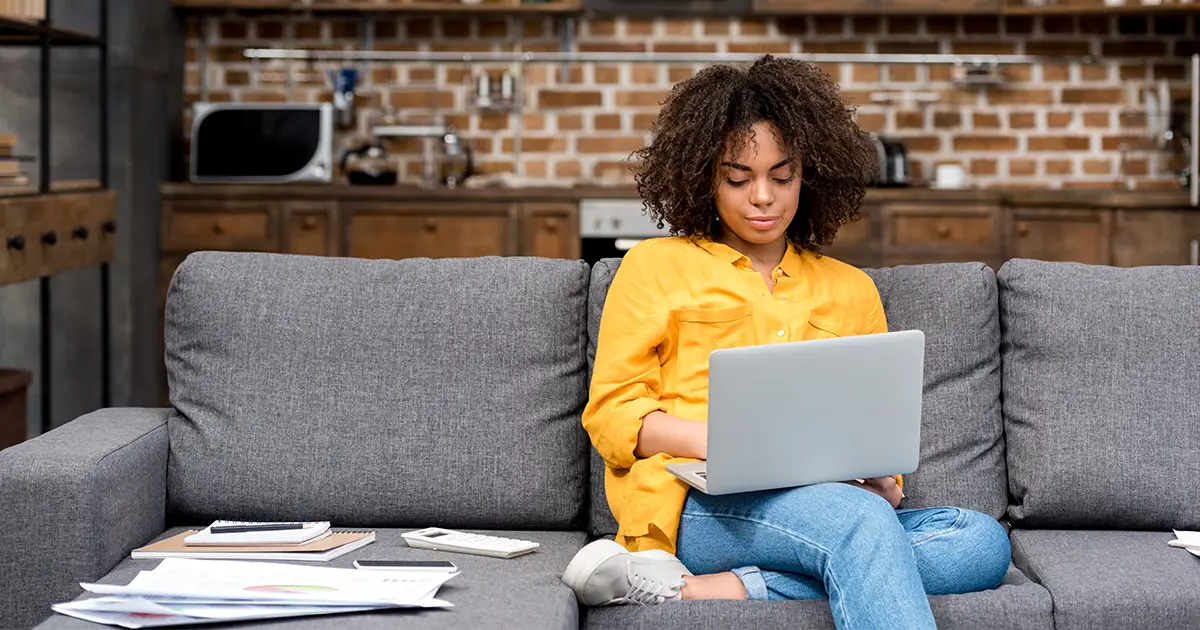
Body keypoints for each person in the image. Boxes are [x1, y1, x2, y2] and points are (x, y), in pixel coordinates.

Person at [560, 56, 1011, 629]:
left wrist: (878, 482)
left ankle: (705, 592)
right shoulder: (654, 266)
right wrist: (729, 443)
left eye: (782, 175)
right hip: (699, 504)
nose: (763, 198)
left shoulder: (850, 288)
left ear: (810, 175)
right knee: (860, 527)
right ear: (704, 175)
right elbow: (613, 414)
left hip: (829, 504)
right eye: (738, 178)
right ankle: (759, 561)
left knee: (980, 541)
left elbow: (876, 438)